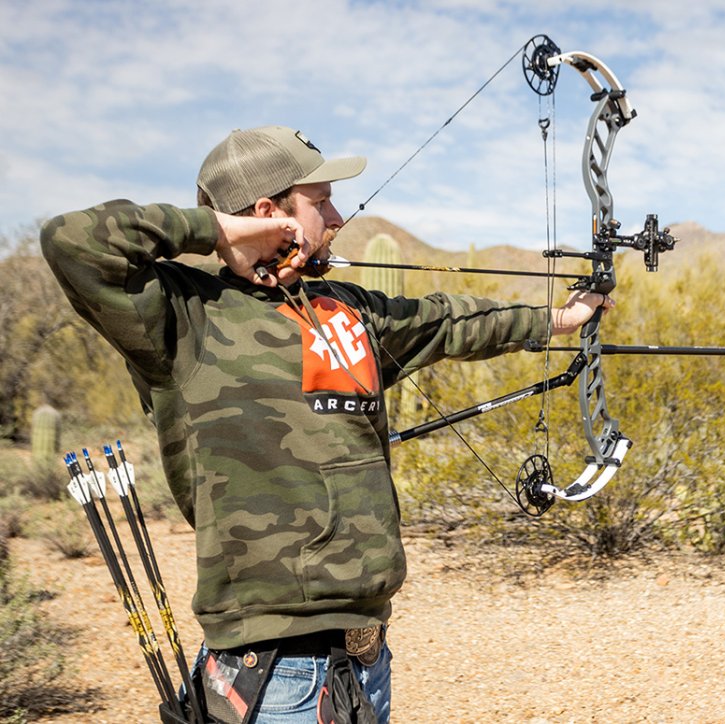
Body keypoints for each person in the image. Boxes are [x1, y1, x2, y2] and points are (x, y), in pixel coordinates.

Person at [40, 125, 611, 723]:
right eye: (320, 201)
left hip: (365, 660)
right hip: (274, 673)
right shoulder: (183, 316)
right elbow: (70, 241)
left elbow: (448, 322)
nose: (337, 217)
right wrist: (217, 230)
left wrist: (557, 319)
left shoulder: (345, 308)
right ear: (269, 212)